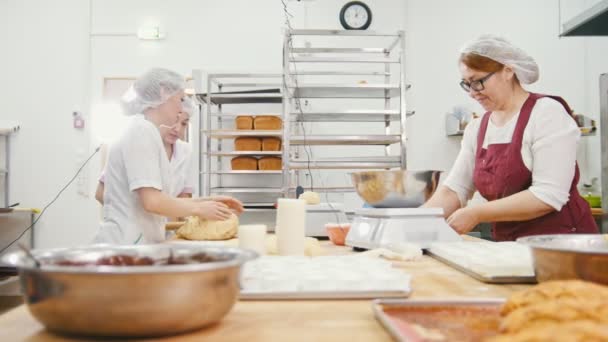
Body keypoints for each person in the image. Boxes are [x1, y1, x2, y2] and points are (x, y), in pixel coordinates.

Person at [423, 35, 598, 241]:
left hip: (563, 246)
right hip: (510, 248)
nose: (472, 93)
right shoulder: (477, 128)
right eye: (466, 84)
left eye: (478, 82)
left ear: (508, 71)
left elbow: (547, 195)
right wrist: (409, 221)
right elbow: (455, 189)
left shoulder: (547, 114)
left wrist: (476, 213)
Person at [93, 68, 243, 245]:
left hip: (138, 242)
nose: (181, 108)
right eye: (180, 99)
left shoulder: (148, 132)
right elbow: (152, 201)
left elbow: (160, 197)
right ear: (163, 92)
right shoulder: (141, 131)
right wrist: (200, 208)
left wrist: (209, 201)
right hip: (124, 244)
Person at [95, 96, 197, 204]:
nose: (178, 129)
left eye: (184, 123)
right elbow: (101, 193)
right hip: (129, 219)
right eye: (174, 120)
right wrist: (135, 214)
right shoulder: (135, 142)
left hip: (165, 220)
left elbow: (184, 198)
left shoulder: (186, 151)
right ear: (162, 116)